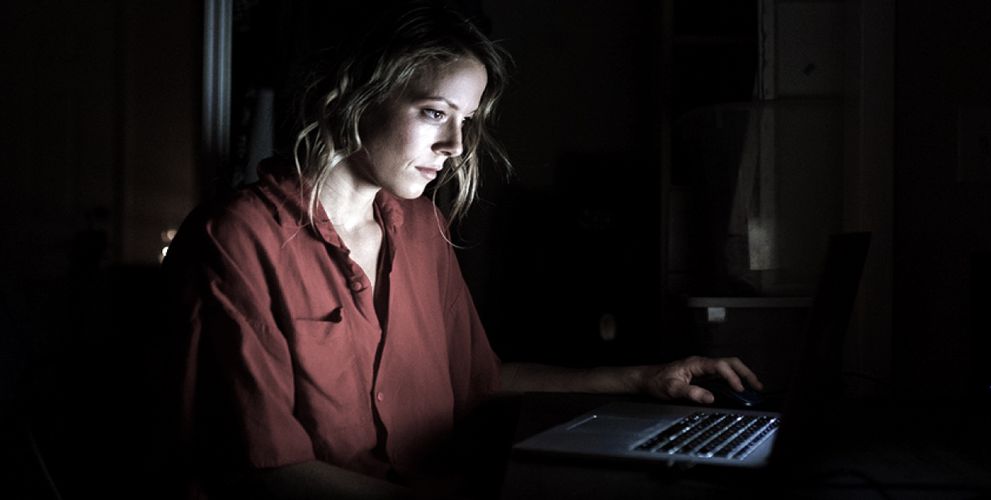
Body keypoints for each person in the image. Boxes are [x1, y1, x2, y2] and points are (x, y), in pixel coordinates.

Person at [162, 2, 763, 498]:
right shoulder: (237, 238)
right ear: (351, 97)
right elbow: (262, 469)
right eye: (433, 113)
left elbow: (475, 379)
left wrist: (642, 377)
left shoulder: (422, 228)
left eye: (466, 120)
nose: (455, 144)